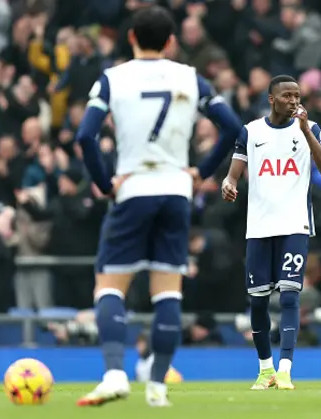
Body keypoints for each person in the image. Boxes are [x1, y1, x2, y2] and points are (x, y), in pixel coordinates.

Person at [75, 6, 242, 406]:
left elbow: (85, 137)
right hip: (175, 190)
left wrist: (105, 184)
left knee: (110, 285)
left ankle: (115, 373)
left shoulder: (113, 79)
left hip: (134, 187)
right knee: (167, 292)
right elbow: (234, 128)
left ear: (131, 37)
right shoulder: (190, 77)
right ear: (171, 42)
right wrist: (199, 172)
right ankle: (158, 387)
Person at [221, 74, 321, 390]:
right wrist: (228, 185)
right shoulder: (252, 132)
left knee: (289, 296)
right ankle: (264, 369)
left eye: (297, 95)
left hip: (294, 224)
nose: (294, 100)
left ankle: (285, 370)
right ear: (272, 99)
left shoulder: (311, 129)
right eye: (287, 96)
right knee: (258, 301)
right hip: (259, 227)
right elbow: (233, 174)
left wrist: (307, 132)